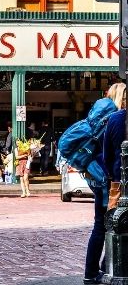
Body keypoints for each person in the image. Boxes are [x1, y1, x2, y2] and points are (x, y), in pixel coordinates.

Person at [88, 83, 128, 284]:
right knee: (115, 225)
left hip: (109, 181)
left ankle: (94, 272)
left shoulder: (108, 119)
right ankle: (107, 269)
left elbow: (106, 155)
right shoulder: (117, 118)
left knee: (103, 226)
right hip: (116, 182)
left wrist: (111, 176)